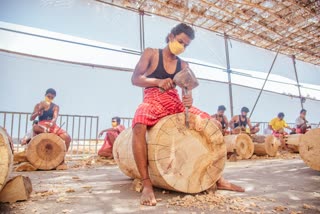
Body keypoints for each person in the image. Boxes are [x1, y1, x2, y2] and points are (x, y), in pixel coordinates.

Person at [131, 23, 244, 206]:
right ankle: (146, 184)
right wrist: (158, 81)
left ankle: (217, 177)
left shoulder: (183, 65)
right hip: (153, 98)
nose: (182, 47)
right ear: (170, 36)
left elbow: (186, 92)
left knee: (213, 123)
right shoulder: (151, 53)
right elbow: (135, 79)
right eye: (180, 41)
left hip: (174, 102)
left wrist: (188, 100)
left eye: (186, 45)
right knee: (138, 124)